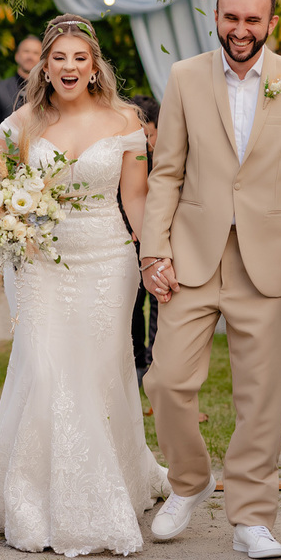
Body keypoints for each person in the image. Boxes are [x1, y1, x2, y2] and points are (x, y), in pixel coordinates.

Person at [0, 14, 170, 556]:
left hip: (107, 257)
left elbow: (137, 197)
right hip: (36, 260)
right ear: (44, 65)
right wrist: (3, 213)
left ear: (95, 64)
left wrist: (150, 255)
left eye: (80, 58)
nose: (69, 67)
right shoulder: (23, 122)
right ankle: (31, 495)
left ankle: (105, 485)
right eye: (59, 58)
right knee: (43, 366)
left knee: (99, 371)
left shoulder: (125, 118)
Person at [140, 0, 281, 559]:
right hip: (191, 258)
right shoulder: (184, 77)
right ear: (216, 17)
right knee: (167, 380)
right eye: (231, 18)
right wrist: (154, 249)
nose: (241, 30)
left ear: (270, 23)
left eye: (253, 19)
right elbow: (166, 171)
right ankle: (189, 482)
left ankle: (251, 516)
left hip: (268, 261)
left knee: (263, 395)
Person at [122, 93, 159, 384]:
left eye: (148, 134)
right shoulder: (129, 151)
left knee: (160, 302)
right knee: (133, 302)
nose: (144, 141)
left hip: (159, 235)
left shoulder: (165, 156)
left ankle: (156, 360)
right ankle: (136, 362)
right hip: (128, 236)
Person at [0, 35, 40, 138]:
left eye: (35, 53)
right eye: (26, 51)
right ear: (17, 56)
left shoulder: (48, 90)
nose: (30, 56)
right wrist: (10, 139)